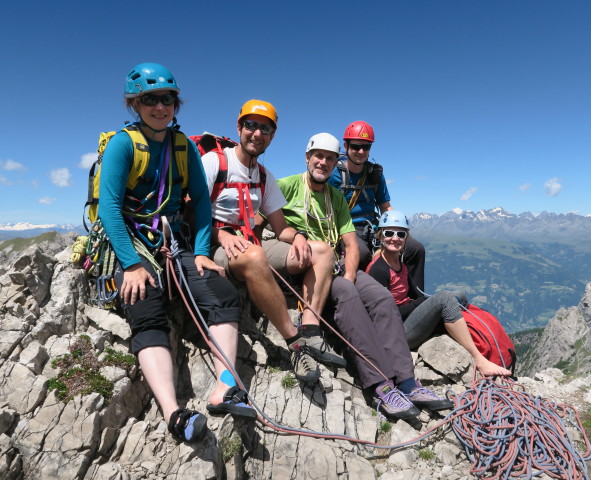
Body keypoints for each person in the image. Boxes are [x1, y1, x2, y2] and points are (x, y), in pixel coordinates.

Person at [98, 63, 255, 444]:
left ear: (175, 103)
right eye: (149, 99)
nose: (160, 106)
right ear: (135, 104)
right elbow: (110, 208)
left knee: (221, 293)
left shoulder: (181, 146)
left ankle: (224, 387)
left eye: (167, 99)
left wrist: (202, 252)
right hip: (131, 241)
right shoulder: (124, 144)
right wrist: (131, 265)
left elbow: (201, 203)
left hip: (170, 240)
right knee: (145, 305)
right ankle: (174, 414)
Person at [269, 133, 453, 420]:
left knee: (380, 297)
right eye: (318, 156)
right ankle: (380, 384)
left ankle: (406, 381)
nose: (323, 162)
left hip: (338, 264)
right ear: (307, 158)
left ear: (335, 162)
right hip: (308, 269)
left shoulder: (335, 198)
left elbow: (352, 244)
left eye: (329, 158)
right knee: (347, 295)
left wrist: (352, 274)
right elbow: (257, 217)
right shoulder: (286, 186)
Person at [200, 100, 342, 385]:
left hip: (250, 244)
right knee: (254, 256)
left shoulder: (264, 177)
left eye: (265, 128)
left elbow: (280, 228)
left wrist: (299, 236)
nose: (257, 133)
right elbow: (190, 214)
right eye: (251, 125)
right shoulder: (215, 162)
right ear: (239, 127)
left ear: (272, 136)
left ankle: (311, 329)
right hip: (217, 244)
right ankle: (295, 343)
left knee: (323, 251)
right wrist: (221, 234)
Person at [366, 210, 512, 376]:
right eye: (389, 233)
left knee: (459, 295)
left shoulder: (400, 263)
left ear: (406, 237)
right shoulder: (379, 270)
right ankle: (478, 359)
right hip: (397, 333)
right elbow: (385, 315)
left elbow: (415, 296)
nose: (395, 238)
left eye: (400, 234)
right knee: (444, 299)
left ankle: (475, 338)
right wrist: (421, 304)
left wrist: (424, 303)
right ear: (380, 236)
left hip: (406, 321)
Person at [328, 121, 426, 291]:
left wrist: (401, 231)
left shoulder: (374, 174)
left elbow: (385, 206)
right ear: (346, 145)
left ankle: (415, 296)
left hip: (373, 226)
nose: (361, 152)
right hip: (347, 228)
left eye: (366, 147)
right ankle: (370, 296)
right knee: (362, 253)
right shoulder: (334, 175)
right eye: (356, 146)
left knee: (416, 249)